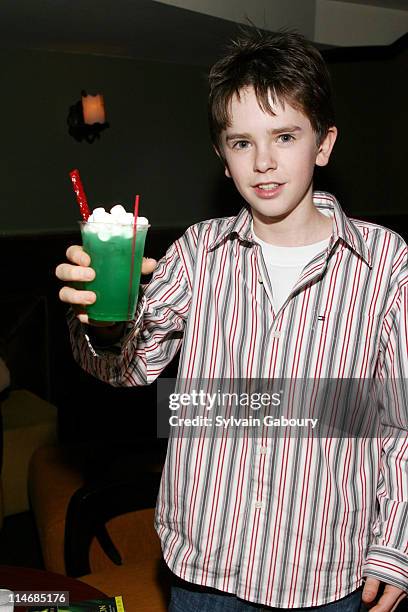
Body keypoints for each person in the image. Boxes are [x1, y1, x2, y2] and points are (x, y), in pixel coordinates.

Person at [56, 29, 407, 612]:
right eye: (242, 143)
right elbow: (130, 371)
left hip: (325, 569)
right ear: (223, 157)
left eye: (285, 136)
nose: (264, 162)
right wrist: (102, 323)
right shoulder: (196, 252)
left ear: (324, 143)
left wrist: (394, 545)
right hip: (206, 567)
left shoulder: (387, 261)